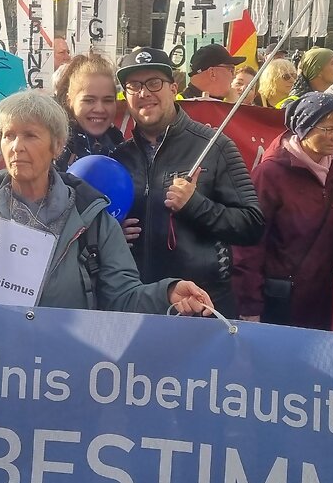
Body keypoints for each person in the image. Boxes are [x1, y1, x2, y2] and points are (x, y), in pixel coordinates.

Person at [0, 91, 214, 313]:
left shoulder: (93, 218)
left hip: (66, 370)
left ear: (57, 146)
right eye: (8, 135)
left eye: (31, 135)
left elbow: (123, 296)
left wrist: (167, 293)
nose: (17, 146)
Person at [112, 47, 264, 316]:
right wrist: (112, 233)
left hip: (203, 306)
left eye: (154, 82)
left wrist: (196, 205)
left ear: (173, 88)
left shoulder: (215, 147)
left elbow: (252, 225)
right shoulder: (119, 158)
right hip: (141, 307)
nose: (144, 93)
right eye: (133, 86)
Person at [233, 93, 333, 329]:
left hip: (319, 301)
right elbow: (248, 246)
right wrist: (250, 307)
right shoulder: (270, 174)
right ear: (304, 128)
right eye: (328, 129)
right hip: (277, 304)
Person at [54, 54, 123, 172]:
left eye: (107, 100)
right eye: (89, 100)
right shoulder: (52, 150)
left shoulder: (123, 148)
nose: (100, 109)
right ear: (69, 100)